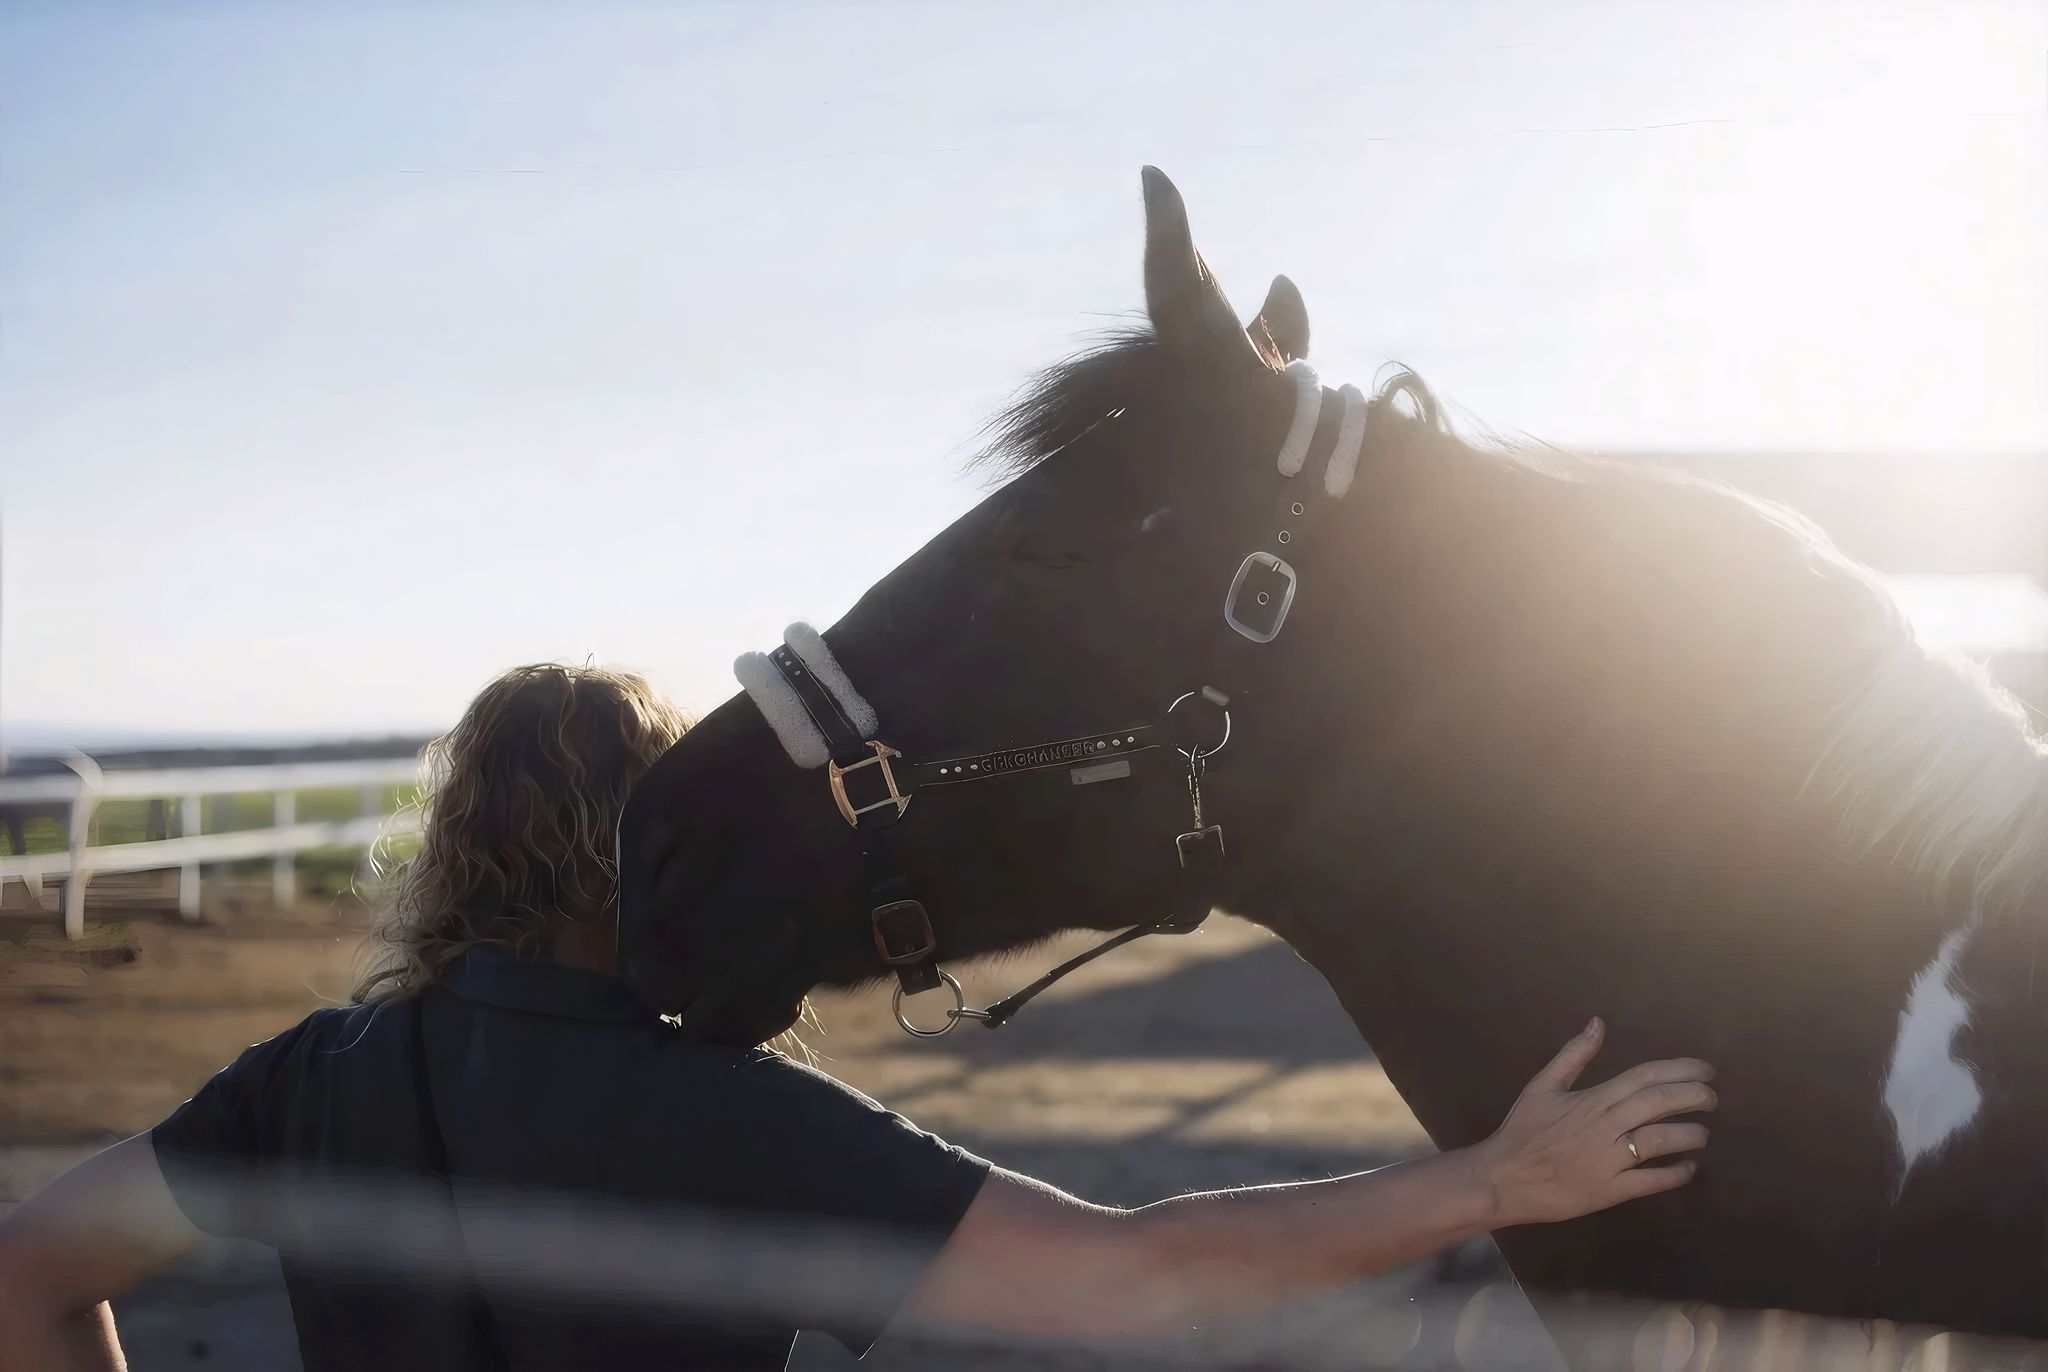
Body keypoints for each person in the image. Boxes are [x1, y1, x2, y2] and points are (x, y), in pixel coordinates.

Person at [0, 664, 1716, 1371]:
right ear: (667, 849)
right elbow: (1136, 1274)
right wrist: (1497, 1184)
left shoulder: (312, 1076)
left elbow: (31, 1265)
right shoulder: (728, 1109)